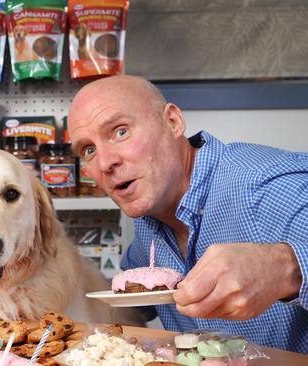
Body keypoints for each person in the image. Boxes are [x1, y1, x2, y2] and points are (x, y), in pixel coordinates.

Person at [68, 75, 307, 353]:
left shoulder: (265, 187)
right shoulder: (150, 220)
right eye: (89, 150)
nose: (106, 162)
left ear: (173, 122)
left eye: (121, 132)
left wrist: (288, 269)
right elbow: (127, 305)